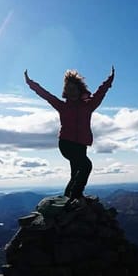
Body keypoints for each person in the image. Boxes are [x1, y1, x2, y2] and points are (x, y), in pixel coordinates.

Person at [24, 67, 115, 199]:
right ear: (65, 91)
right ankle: (76, 195)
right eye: (68, 89)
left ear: (80, 90)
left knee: (76, 173)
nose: (71, 91)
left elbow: (101, 92)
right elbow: (46, 95)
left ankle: (69, 198)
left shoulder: (89, 106)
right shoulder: (63, 106)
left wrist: (110, 79)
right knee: (86, 166)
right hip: (66, 144)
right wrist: (30, 83)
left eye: (74, 89)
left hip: (81, 145)